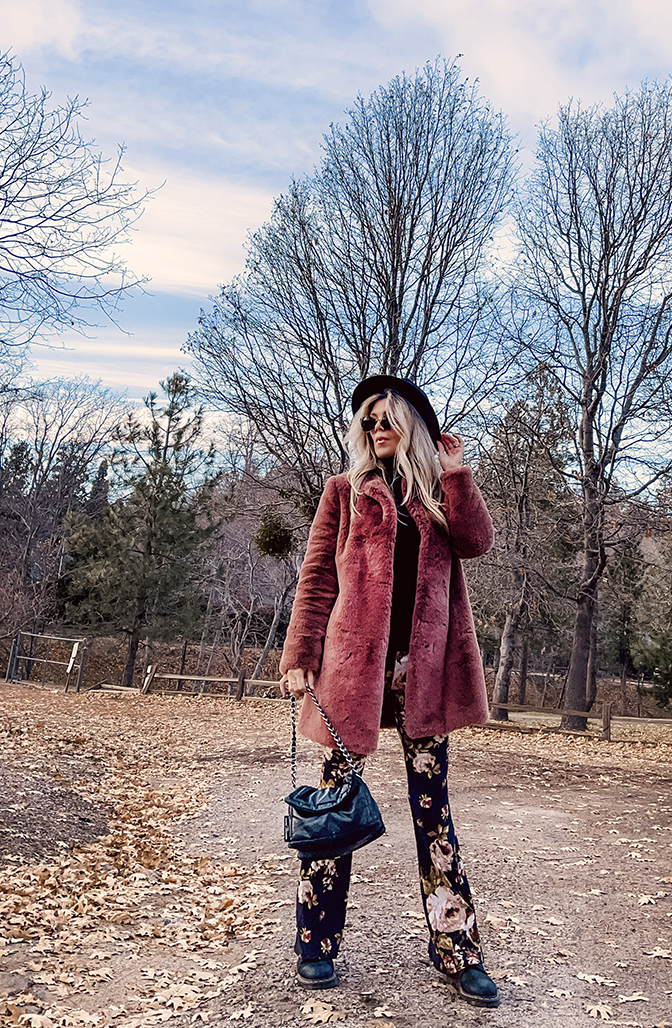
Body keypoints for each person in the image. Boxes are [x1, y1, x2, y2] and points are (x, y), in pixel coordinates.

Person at [279, 375, 498, 1008]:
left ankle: (457, 951)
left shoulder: (437, 497)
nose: (377, 428)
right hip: (352, 681)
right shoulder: (345, 494)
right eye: (368, 420)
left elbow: (477, 543)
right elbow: (318, 579)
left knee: (435, 819)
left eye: (388, 418)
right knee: (332, 813)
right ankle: (316, 945)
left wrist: (455, 474)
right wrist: (300, 656)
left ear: (413, 426)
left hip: (422, 680)